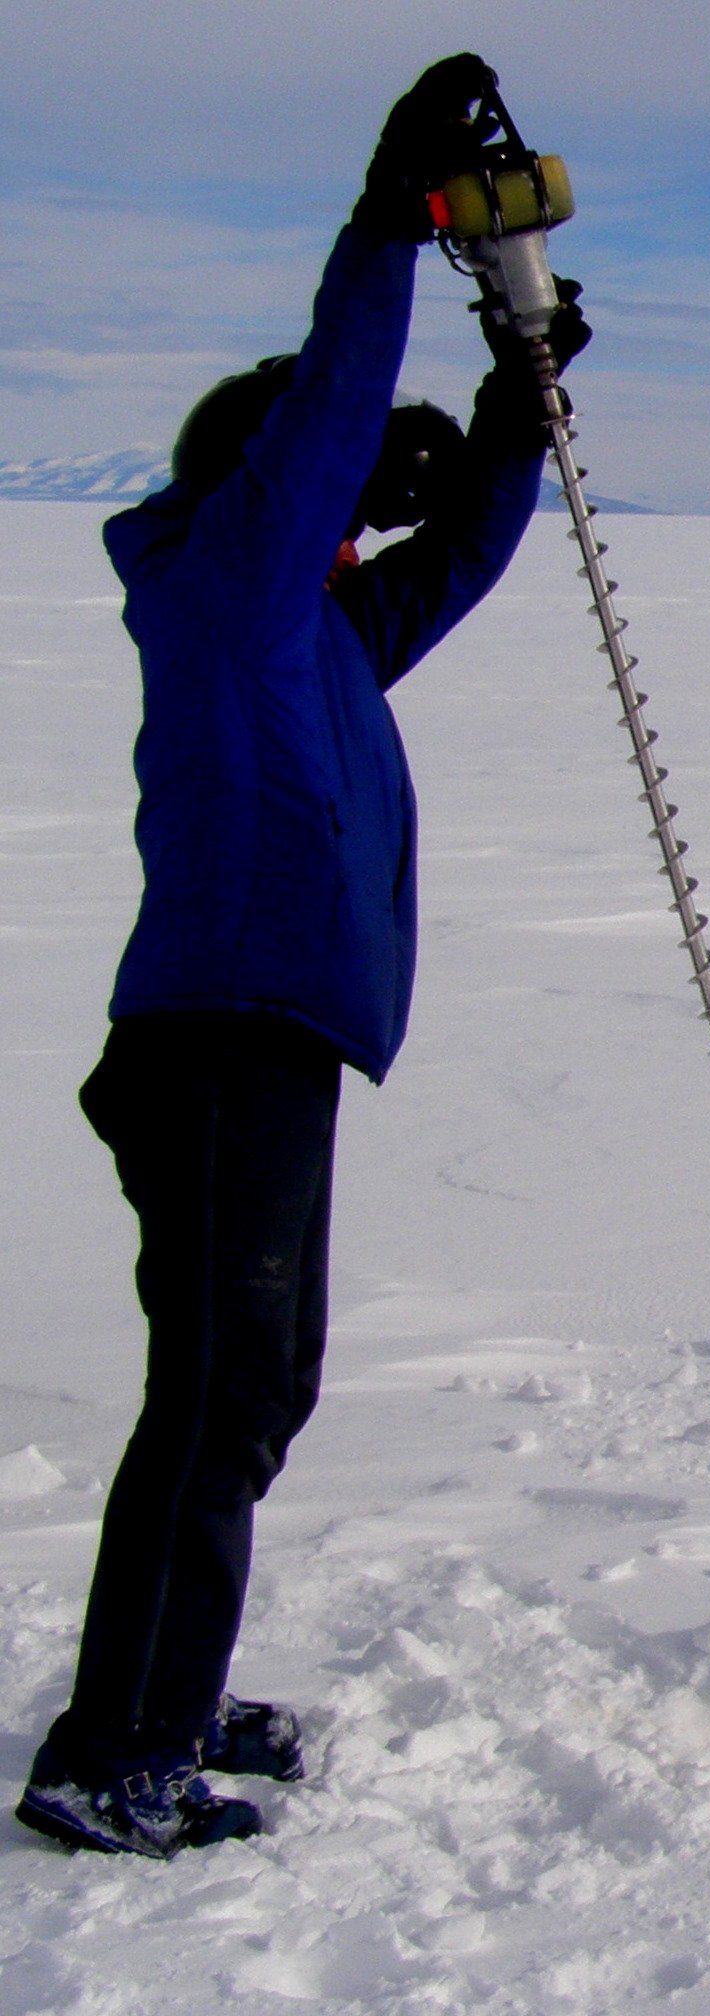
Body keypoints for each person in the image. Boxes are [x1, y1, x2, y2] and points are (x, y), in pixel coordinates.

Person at [14, 55, 592, 1858]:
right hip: (215, 1037)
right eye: (324, 484)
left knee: (255, 1383)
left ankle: (161, 1696)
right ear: (263, 487)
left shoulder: (318, 632)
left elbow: (470, 556)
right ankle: (115, 1752)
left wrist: (518, 412)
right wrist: (387, 231)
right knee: (217, 1391)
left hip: (269, 1041)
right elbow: (327, 419)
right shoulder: (227, 587)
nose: (355, 498)